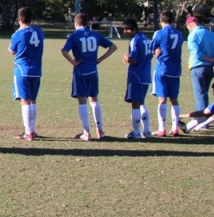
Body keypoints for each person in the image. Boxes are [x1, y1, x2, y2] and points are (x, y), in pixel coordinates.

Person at [61, 12, 118, 141]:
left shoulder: (74, 36)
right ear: (88, 23)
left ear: (76, 23)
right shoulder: (95, 35)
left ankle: (86, 132)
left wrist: (73, 62)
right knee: (94, 99)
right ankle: (100, 130)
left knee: (82, 101)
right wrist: (100, 59)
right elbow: (113, 47)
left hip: (80, 72)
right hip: (93, 71)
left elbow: (64, 51)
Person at [186, 14, 214, 130]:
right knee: (204, 94)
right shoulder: (213, 35)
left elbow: (197, 54)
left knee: (200, 95)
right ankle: (204, 119)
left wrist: (211, 60)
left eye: (187, 27)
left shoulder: (193, 35)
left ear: (191, 24)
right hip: (210, 69)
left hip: (198, 67)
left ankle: (202, 121)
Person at [8, 6, 43, 141]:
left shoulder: (18, 34)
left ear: (19, 19)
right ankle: (32, 130)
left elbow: (12, 50)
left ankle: (28, 132)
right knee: (33, 100)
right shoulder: (39, 32)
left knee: (24, 100)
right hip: (36, 70)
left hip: (22, 70)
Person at [150, 10, 185, 136]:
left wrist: (155, 52)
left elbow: (151, 48)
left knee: (162, 99)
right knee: (174, 99)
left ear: (161, 20)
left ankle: (162, 129)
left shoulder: (160, 33)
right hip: (175, 70)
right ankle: (175, 128)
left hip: (162, 68)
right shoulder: (180, 34)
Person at [121, 18, 153, 139]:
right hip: (145, 75)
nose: (125, 31)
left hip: (136, 75)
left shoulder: (135, 40)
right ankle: (147, 131)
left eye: (127, 29)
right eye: (124, 29)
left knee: (135, 104)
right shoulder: (146, 38)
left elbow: (134, 60)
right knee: (141, 102)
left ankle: (136, 132)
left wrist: (127, 58)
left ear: (134, 29)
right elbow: (149, 56)